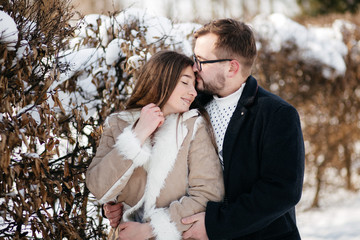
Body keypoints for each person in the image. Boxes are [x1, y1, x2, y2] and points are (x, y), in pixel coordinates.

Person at [104, 19, 305, 240]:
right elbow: (160, 165)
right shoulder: (190, 104)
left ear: (232, 67)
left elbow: (280, 192)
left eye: (201, 60)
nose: (194, 67)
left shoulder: (277, 115)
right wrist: (127, 202)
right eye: (194, 57)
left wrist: (214, 225)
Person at [86, 50, 224, 240]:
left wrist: (151, 229)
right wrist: (136, 135)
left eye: (194, 86)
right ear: (161, 80)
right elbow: (98, 187)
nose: (193, 93)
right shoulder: (118, 123)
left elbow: (208, 194)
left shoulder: (193, 127)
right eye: (185, 82)